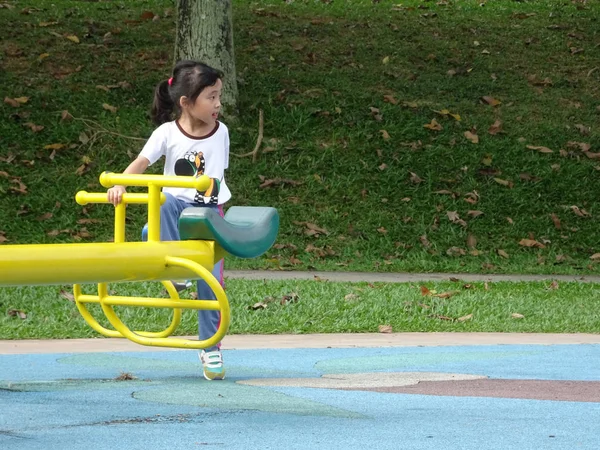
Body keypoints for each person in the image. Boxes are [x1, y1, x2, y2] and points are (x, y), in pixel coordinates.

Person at [107, 60, 231, 381]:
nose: (218, 104)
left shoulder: (222, 133)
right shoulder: (167, 133)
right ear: (186, 103)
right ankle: (175, 267)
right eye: (211, 97)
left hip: (207, 217)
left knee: (211, 285)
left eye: (219, 96)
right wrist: (121, 182)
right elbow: (142, 161)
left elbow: (216, 180)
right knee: (162, 200)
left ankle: (211, 347)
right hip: (176, 210)